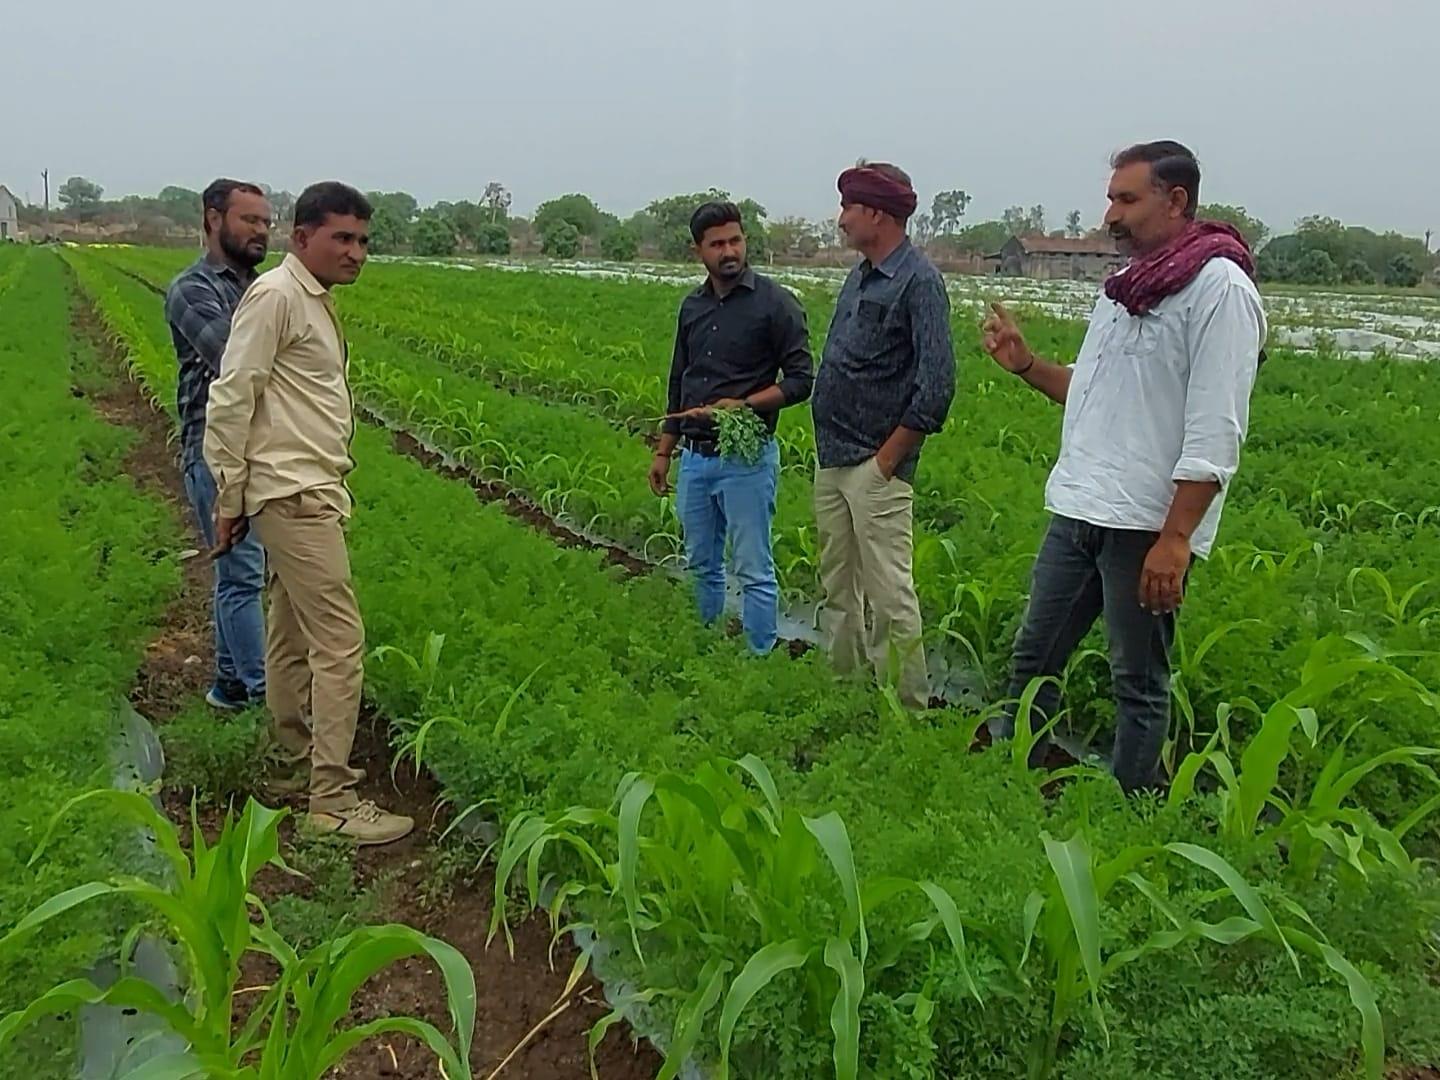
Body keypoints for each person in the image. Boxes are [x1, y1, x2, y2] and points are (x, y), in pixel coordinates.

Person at [982, 140, 1267, 794]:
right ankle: (1015, 783)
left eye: (1127, 199)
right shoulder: (1125, 290)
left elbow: (1216, 427)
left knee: (1136, 680)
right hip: (1081, 509)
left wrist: (1176, 538)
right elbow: (1089, 389)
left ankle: (1128, 813)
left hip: (1145, 524)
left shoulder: (1219, 289)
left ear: (1176, 200)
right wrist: (1026, 365)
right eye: (1111, 197)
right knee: (1033, 659)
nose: (1111, 213)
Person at [205, 181, 413, 845]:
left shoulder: (309, 300)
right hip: (292, 494)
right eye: (342, 238)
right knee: (340, 642)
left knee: (292, 634)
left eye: (362, 241)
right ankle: (332, 800)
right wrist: (229, 496)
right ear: (302, 239)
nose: (356, 253)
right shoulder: (277, 298)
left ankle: (296, 760)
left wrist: (240, 497)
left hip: (300, 488)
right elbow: (232, 397)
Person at [810, 162, 955, 708]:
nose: (842, 219)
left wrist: (888, 461)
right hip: (834, 459)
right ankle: (844, 691)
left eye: (849, 208)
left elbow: (937, 383)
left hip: (876, 467)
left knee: (889, 593)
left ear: (876, 213)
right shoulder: (861, 277)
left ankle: (905, 712)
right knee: (837, 585)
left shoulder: (919, 282)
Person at [650, 201, 813, 653]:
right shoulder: (693, 307)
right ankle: (706, 651)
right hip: (696, 461)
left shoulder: (776, 305)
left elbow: (802, 381)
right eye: (717, 243)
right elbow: (679, 380)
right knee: (702, 563)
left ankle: (760, 659)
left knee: (753, 569)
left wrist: (740, 405)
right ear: (698, 250)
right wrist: (665, 450)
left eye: (735, 240)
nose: (729, 251)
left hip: (746, 459)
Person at [164, 179, 271, 712]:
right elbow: (238, 362)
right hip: (215, 451)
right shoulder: (193, 288)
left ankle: (230, 684)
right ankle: (264, 699)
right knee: (243, 574)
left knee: (239, 573)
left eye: (267, 222)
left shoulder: (261, 288)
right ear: (212, 219)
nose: (261, 231)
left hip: (259, 448)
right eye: (249, 220)